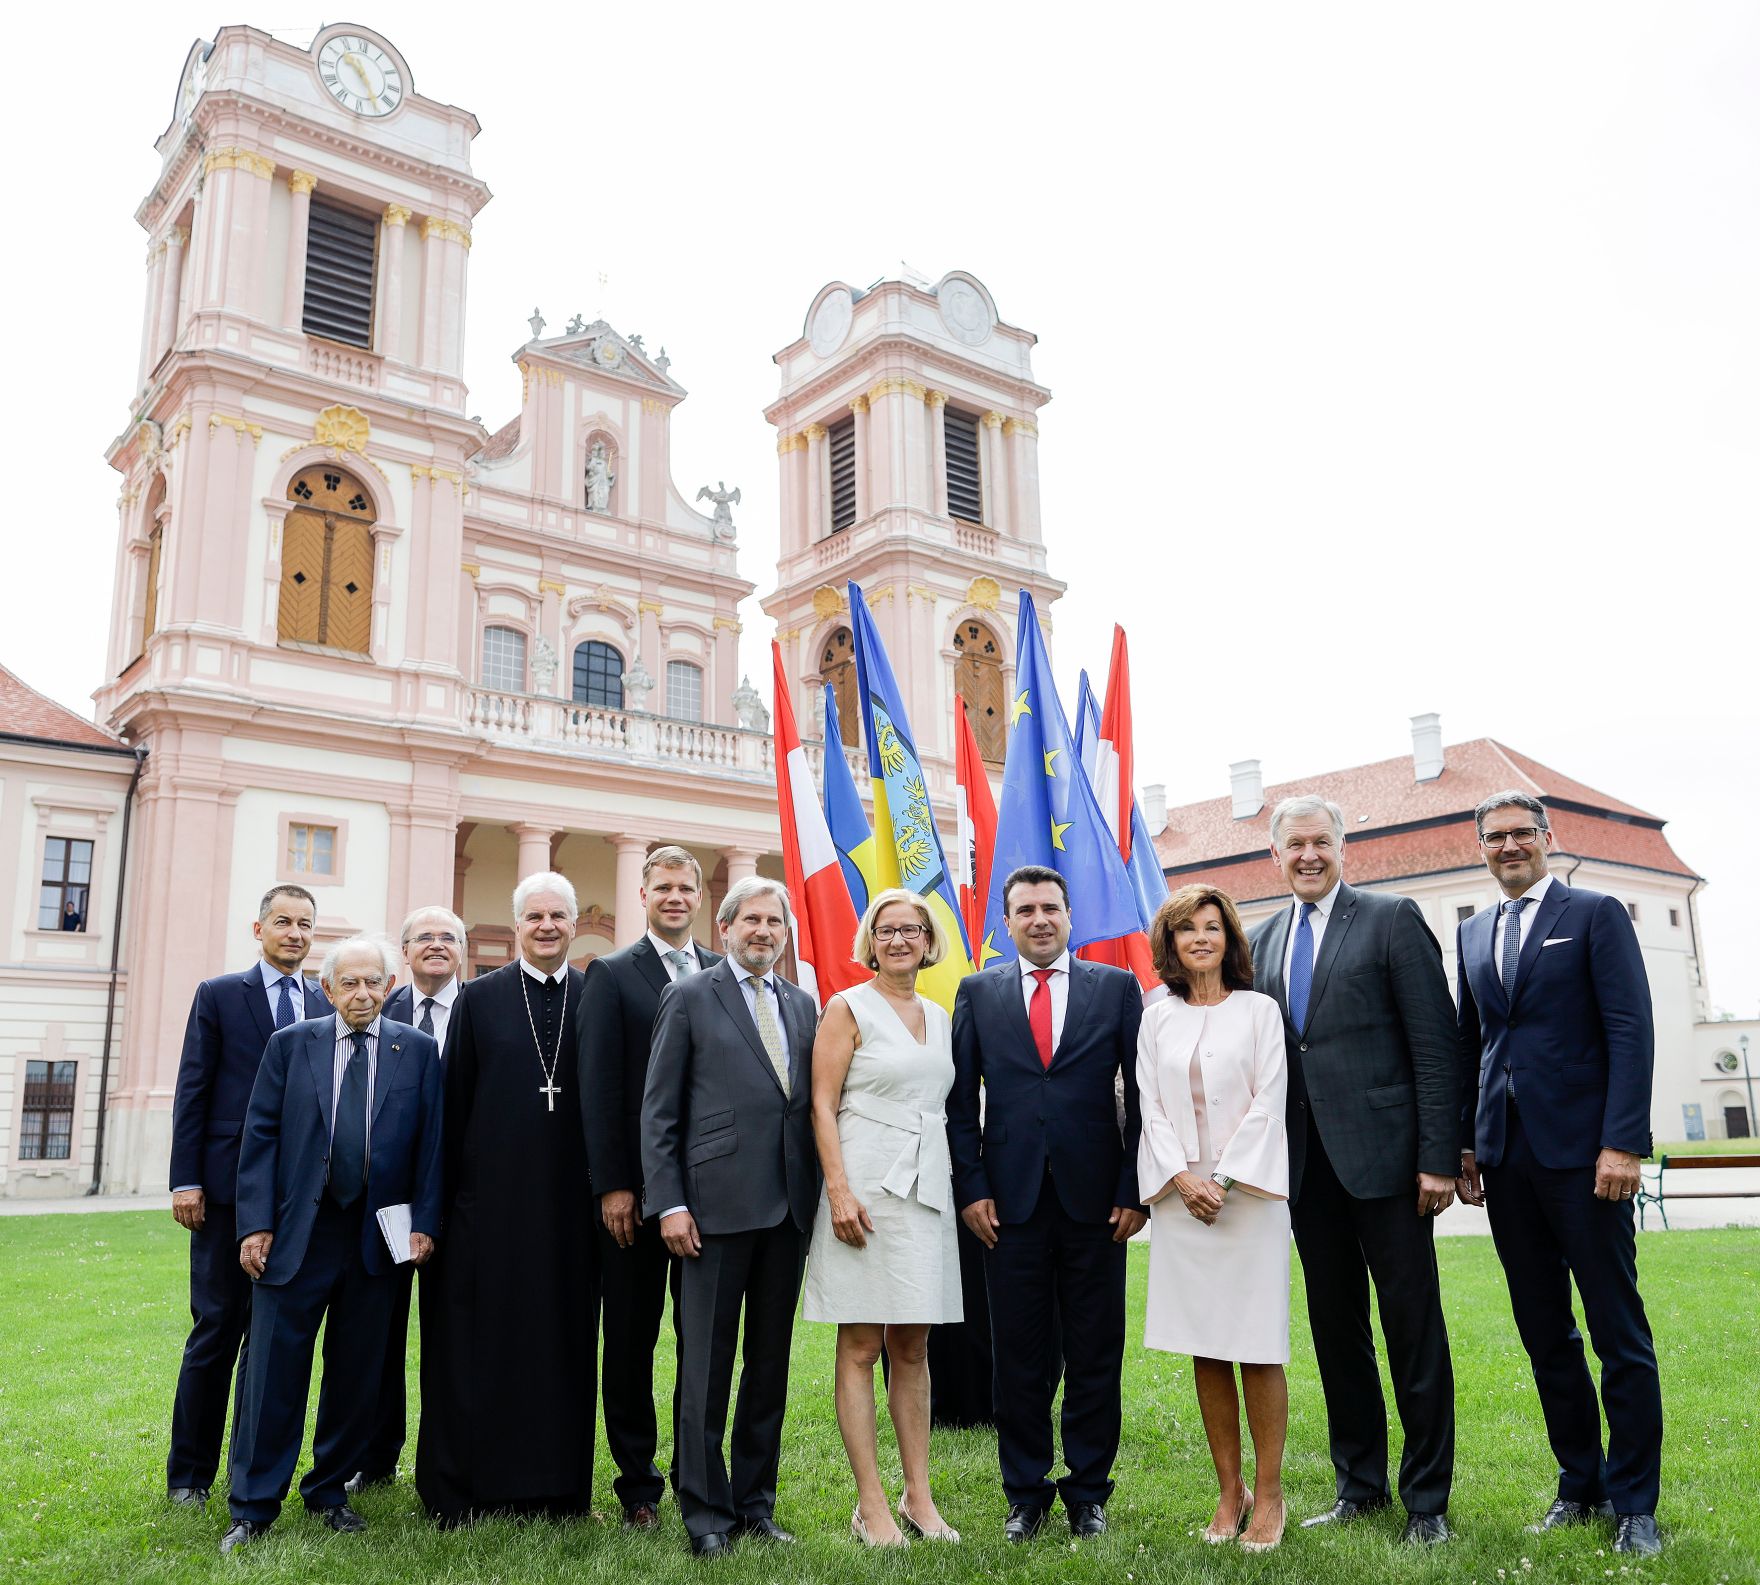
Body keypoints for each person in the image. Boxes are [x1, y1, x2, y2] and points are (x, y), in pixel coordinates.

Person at [1455, 791, 1663, 1557]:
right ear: (1481, 846)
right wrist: (1466, 1145)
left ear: (1548, 837)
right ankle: (1581, 1484)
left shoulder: (1595, 913)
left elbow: (1629, 1029)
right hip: (1506, 1162)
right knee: (1546, 1333)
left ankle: (1637, 1505)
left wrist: (1623, 1142)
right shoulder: (1474, 932)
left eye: (1521, 833)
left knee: (1618, 1331)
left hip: (1586, 1158)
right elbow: (1471, 1040)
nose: (1509, 845)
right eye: (1495, 836)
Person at [1248, 795, 1460, 1545]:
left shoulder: (1391, 918)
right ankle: (1359, 1486)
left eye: (1321, 842)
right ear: (1275, 855)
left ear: (1344, 847)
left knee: (1413, 1333)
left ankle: (1427, 1501)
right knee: (1338, 1335)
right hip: (1306, 1174)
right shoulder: (1262, 939)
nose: (1308, 855)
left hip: (1392, 1168)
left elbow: (1437, 1046)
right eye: (1294, 844)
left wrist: (1438, 1157)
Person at [219, 936, 442, 1555]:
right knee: (272, 1374)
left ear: (389, 988)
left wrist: (426, 1221)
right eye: (350, 984)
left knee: (357, 1372)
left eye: (373, 983)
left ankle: (328, 1490)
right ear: (328, 989)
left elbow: (432, 1144)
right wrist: (254, 1225)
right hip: (298, 1234)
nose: (363, 994)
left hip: (377, 1239)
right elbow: (259, 1138)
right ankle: (253, 1504)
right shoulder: (291, 1045)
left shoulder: (418, 1052)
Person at [947, 864, 1145, 1544]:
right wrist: (971, 1186)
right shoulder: (976, 992)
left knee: (1096, 1354)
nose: (1039, 918)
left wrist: (1132, 1189)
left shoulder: (1116, 989)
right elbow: (958, 1106)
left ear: (1069, 916)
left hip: (1098, 1206)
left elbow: (1141, 1096)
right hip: (1008, 1205)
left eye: (1050, 907)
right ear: (1007, 922)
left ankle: (1088, 1492)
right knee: (1019, 1358)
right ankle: (1024, 1493)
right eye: (1025, 908)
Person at [640, 877, 820, 1558]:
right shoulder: (688, 995)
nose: (764, 931)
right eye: (752, 919)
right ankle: (704, 1512)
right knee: (707, 1367)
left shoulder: (803, 1006)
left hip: (786, 1211)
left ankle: (755, 1504)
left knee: (768, 1365)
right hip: (709, 1211)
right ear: (725, 927)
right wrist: (671, 1202)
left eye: (775, 921)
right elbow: (658, 1112)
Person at [415, 873, 596, 1525]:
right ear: (516, 925)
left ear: (574, 925)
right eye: (534, 916)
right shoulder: (480, 999)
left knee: (562, 1349)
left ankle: (556, 1489)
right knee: (477, 1348)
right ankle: (466, 1486)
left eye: (558, 915)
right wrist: (439, 1211)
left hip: (570, 1215)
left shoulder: (592, 995)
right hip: (487, 1212)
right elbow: (451, 1111)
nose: (546, 925)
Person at [806, 888, 963, 1548]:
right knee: (863, 1343)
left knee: (913, 1345)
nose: (899, 939)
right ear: (870, 940)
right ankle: (870, 1503)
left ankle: (918, 1497)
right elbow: (820, 1103)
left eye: (912, 929)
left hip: (926, 1187)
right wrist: (839, 1189)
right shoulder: (847, 1007)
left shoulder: (940, 1012)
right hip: (865, 1183)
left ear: (929, 942)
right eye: (886, 929)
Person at [165, 884, 329, 1511]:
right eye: (282, 922)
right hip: (227, 1190)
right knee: (217, 1329)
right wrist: (187, 1179)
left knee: (270, 1343)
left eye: (305, 924)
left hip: (298, 1199)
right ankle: (190, 1474)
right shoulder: (219, 995)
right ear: (257, 929)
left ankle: (250, 1468)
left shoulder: (326, 999)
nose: (294, 933)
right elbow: (193, 1089)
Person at [1137, 885, 1290, 1552]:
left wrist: (1221, 1178)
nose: (1201, 938)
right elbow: (1149, 1105)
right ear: (1169, 943)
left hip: (1246, 1194)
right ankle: (1229, 1491)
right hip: (1182, 1197)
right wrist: (1181, 1178)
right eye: (1187, 929)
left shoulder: (1259, 1011)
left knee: (1257, 1344)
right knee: (1206, 1342)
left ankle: (1272, 1491)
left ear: (1230, 938)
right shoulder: (1155, 1015)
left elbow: (1269, 1099)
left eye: (1213, 927)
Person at [579, 845, 720, 1529]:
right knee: (631, 1343)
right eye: (661, 886)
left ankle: (701, 1469)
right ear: (643, 894)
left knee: (703, 1340)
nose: (674, 896)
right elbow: (600, 1087)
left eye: (684, 886)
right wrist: (614, 1184)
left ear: (700, 895)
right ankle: (639, 1485)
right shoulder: (609, 974)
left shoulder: (723, 972)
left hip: (711, 1194)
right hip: (634, 1198)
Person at [350, 904, 466, 1492]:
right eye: (425, 937)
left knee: (457, 1332)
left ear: (462, 950)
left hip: (466, 1199)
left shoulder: (483, 1008)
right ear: (404, 951)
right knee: (380, 1331)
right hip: (388, 1203)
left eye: (448, 937)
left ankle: (454, 1451)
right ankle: (376, 1455)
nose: (437, 945)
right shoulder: (377, 1007)